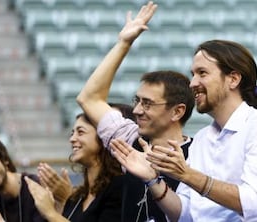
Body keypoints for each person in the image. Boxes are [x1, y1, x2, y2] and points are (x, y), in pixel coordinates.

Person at [110, 39, 257, 221]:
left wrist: (187, 175)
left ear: (233, 79)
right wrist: (153, 181)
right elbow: (185, 214)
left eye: (202, 73)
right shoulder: (202, 138)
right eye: (193, 74)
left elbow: (252, 203)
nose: (192, 83)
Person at [76, 2, 195, 221]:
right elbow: (89, 98)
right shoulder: (129, 140)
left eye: (148, 103)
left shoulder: (201, 153)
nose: (137, 110)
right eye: (137, 101)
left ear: (177, 112)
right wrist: (124, 42)